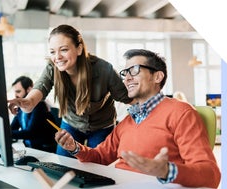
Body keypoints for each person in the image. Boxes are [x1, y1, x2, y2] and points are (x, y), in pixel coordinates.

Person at [54, 49, 221, 188]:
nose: (126, 78)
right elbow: (100, 157)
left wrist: (166, 171)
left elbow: (211, 174)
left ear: (157, 77)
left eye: (134, 70)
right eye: (125, 73)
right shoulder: (127, 121)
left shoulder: (181, 112)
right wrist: (75, 147)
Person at [8, 24, 132, 157]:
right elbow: (39, 88)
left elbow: (128, 98)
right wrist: (27, 103)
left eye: (64, 50)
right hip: (71, 123)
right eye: (52, 52)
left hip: (101, 126)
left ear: (79, 49)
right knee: (63, 166)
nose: (57, 57)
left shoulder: (104, 70)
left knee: (98, 169)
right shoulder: (52, 68)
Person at [10, 76, 57, 153]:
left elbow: (30, 132)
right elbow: (12, 128)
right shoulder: (20, 108)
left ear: (29, 90)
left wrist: (7, 134)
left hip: (44, 150)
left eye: (18, 92)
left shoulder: (39, 105)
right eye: (15, 92)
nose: (15, 95)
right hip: (30, 149)